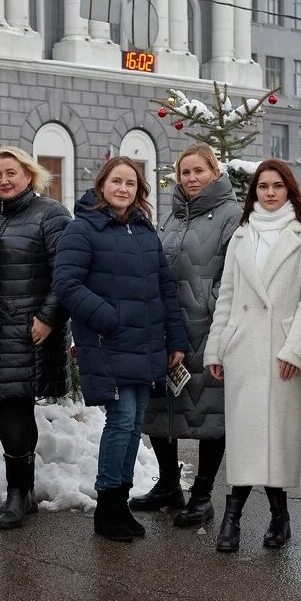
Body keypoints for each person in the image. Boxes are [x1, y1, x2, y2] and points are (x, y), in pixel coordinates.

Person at [53, 156, 189, 543]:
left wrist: (175, 339)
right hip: (107, 340)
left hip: (146, 343)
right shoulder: (82, 229)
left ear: (139, 190)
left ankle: (120, 503)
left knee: (134, 425)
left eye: (131, 183)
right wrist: (108, 317)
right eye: (117, 181)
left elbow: (165, 288)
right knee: (121, 421)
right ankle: (107, 506)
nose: (124, 188)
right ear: (102, 185)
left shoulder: (144, 231)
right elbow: (66, 284)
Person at [202, 159, 301, 551]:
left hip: (281, 349)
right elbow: (227, 296)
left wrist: (297, 348)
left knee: (275, 437)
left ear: (290, 189)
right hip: (242, 347)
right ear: (253, 192)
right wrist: (217, 346)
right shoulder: (242, 234)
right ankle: (234, 518)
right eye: (262, 187)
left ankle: (278, 516)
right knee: (244, 436)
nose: (269, 193)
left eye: (277, 186)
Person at [132, 144, 241, 528]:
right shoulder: (171, 218)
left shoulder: (232, 215)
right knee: (162, 408)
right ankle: (168, 485)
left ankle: (202, 494)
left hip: (209, 329)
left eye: (198, 171)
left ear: (214, 172)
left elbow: (236, 273)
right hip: (168, 328)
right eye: (184, 173)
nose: (191, 179)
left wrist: (207, 305)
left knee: (210, 412)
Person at [0, 147, 73, 530]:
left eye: (11, 173)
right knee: (6, 404)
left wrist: (49, 317)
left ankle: (21, 494)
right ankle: (19, 491)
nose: (4, 180)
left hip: (33, 329)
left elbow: (66, 271)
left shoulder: (51, 214)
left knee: (17, 402)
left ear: (29, 175)